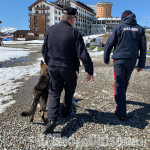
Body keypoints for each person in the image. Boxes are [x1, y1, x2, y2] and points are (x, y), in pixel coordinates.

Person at [42, 6, 94, 133]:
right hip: (69, 68)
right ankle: (65, 111)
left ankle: (52, 120)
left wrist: (49, 63)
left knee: (54, 92)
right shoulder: (74, 32)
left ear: (62, 18)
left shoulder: (50, 30)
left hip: (54, 67)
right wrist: (90, 71)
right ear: (71, 19)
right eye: (74, 19)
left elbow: (44, 50)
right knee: (69, 90)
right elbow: (83, 54)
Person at [104, 10, 147, 121]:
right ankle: (122, 99)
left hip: (119, 59)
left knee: (119, 83)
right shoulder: (140, 29)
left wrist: (106, 58)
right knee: (125, 81)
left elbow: (109, 44)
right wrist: (141, 64)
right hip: (132, 60)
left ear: (123, 17)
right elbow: (143, 48)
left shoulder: (119, 27)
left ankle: (121, 111)